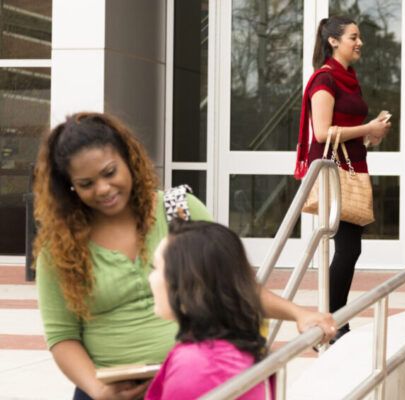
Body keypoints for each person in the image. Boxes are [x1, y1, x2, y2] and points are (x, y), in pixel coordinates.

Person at [34, 112, 336, 400]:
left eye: (109, 172)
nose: (103, 188)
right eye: (86, 184)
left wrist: (299, 313)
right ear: (69, 187)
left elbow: (232, 285)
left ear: (128, 158)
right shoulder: (60, 248)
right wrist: (99, 391)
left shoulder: (179, 210)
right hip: (107, 395)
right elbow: (62, 336)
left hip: (194, 383)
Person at [294, 16, 391, 342]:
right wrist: (368, 128)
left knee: (350, 249)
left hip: (351, 164)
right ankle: (336, 323)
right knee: (348, 248)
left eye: (359, 36)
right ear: (333, 41)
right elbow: (322, 133)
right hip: (333, 170)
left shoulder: (349, 77)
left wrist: (369, 138)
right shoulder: (325, 79)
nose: (359, 42)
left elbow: (344, 134)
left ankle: (337, 321)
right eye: (353, 36)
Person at [146, 221, 280, 399]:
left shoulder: (198, 366)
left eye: (155, 268)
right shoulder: (235, 351)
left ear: (186, 287)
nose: (150, 278)